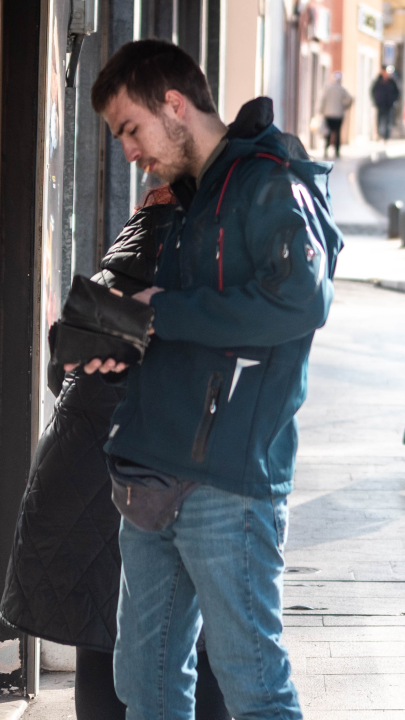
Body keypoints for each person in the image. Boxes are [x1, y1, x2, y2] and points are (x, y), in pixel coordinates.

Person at [81, 39, 342, 719]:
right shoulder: (181, 201)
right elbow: (183, 326)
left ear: (174, 104)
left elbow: (301, 302)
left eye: (130, 129)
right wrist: (119, 339)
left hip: (228, 479)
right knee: (147, 689)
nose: (129, 151)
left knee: (254, 689)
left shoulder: (269, 183)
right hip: (150, 469)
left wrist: (162, 312)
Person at [0, 188, 229, 720]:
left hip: (77, 487)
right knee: (200, 651)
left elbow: (62, 371)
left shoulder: (105, 288)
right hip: (157, 492)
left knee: (99, 645)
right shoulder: (203, 298)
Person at [319, 71, 353, 159]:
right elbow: (350, 99)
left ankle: (326, 150)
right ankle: (336, 152)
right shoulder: (342, 89)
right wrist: (345, 106)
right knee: (337, 132)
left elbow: (322, 100)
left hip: (328, 114)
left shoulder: (327, 88)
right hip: (338, 114)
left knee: (328, 133)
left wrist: (321, 111)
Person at [371, 66, 400, 141]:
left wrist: (393, 100)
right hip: (380, 104)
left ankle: (386, 137)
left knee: (388, 121)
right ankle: (379, 135)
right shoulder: (378, 81)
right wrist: (376, 100)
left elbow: (397, 92)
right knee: (379, 121)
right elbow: (373, 91)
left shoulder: (392, 81)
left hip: (388, 105)